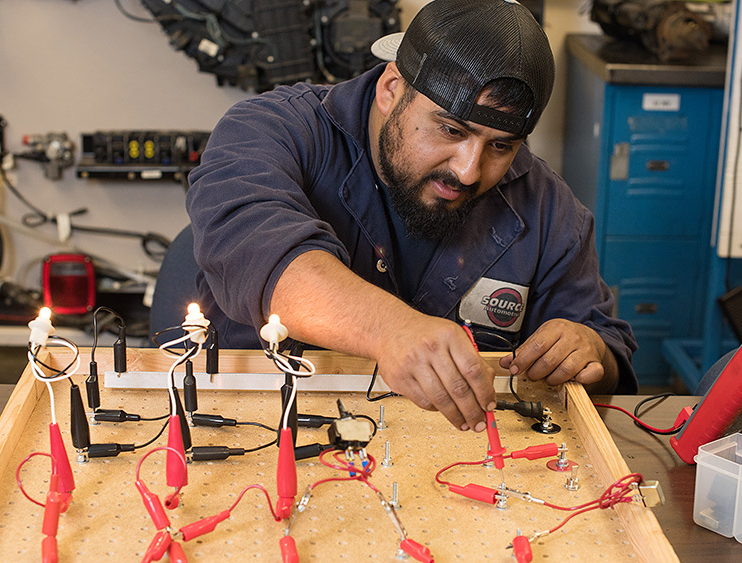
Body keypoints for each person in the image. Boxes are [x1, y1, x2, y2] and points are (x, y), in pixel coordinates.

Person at [184, 0, 638, 433]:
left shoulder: (548, 206)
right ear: (391, 90)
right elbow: (257, 253)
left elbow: (606, 353)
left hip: (454, 455)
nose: (468, 169)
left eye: (501, 145)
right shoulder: (270, 132)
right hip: (260, 424)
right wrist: (390, 328)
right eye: (451, 129)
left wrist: (589, 350)